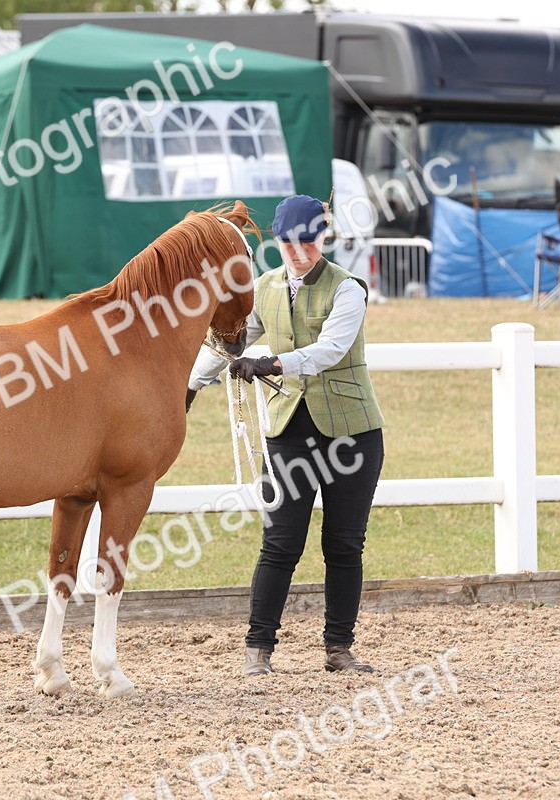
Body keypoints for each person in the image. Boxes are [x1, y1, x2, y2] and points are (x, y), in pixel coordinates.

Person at [185, 194, 385, 675]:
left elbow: (330, 351)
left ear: (323, 237)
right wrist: (190, 385)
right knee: (280, 543)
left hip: (351, 433)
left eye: (309, 242)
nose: (300, 252)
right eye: (290, 243)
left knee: (343, 544)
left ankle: (339, 648)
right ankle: (258, 650)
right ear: (277, 242)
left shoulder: (347, 289)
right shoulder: (265, 287)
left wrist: (272, 362)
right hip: (289, 430)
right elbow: (232, 340)